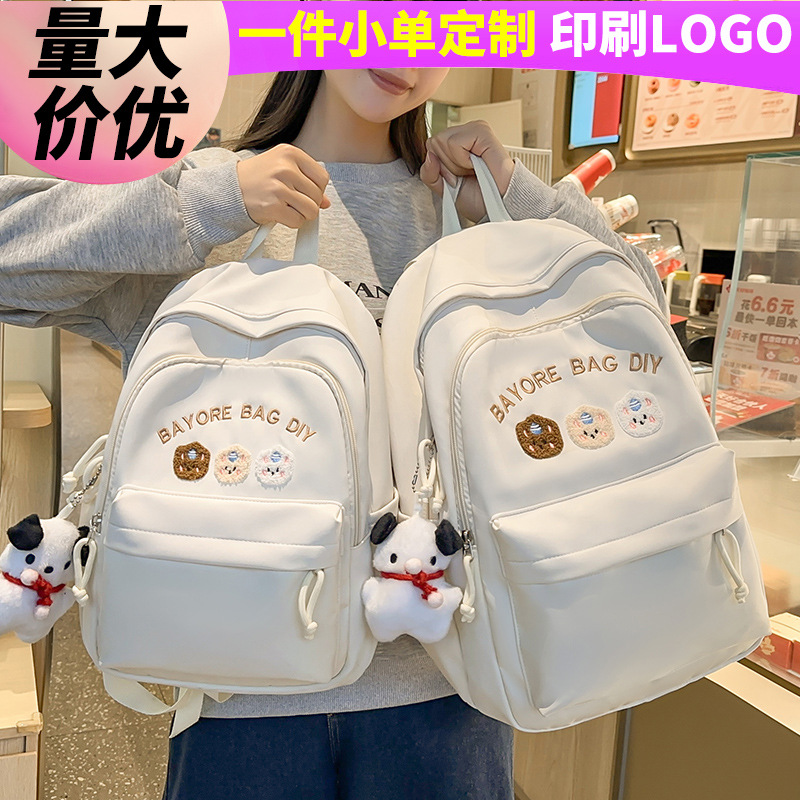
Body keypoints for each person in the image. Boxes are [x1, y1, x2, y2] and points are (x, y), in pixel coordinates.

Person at [0, 69, 666, 799]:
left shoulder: (473, 211)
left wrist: (520, 197)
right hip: (237, 694)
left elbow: (644, 325)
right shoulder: (216, 200)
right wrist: (208, 200)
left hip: (449, 693)